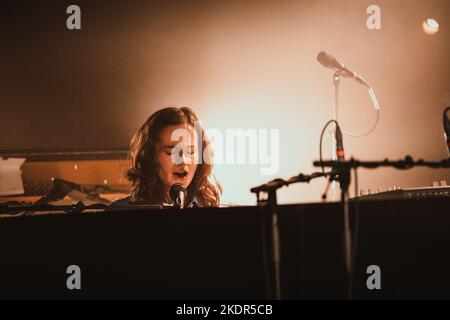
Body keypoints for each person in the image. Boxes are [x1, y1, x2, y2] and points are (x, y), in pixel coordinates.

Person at [112, 107, 221, 207]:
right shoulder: (120, 211)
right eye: (171, 152)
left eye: (191, 152)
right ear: (150, 157)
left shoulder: (211, 208)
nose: (182, 160)